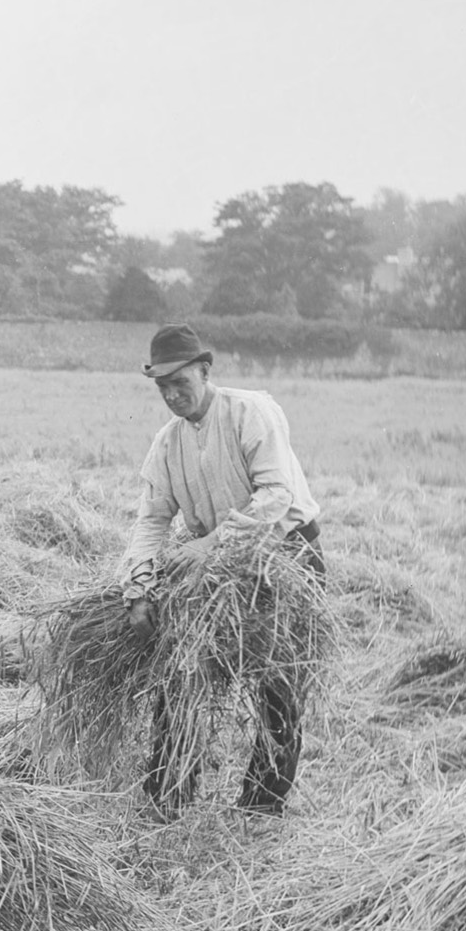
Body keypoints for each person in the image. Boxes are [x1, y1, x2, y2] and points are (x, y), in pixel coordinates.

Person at [118, 323, 324, 816]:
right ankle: (168, 794)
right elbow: (151, 520)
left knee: (279, 686)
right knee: (182, 669)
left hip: (286, 555)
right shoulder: (168, 443)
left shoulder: (249, 412)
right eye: (162, 387)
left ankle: (260, 808)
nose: (171, 394)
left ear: (205, 371)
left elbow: (277, 496)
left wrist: (210, 544)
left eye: (179, 382)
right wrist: (139, 588)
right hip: (221, 566)